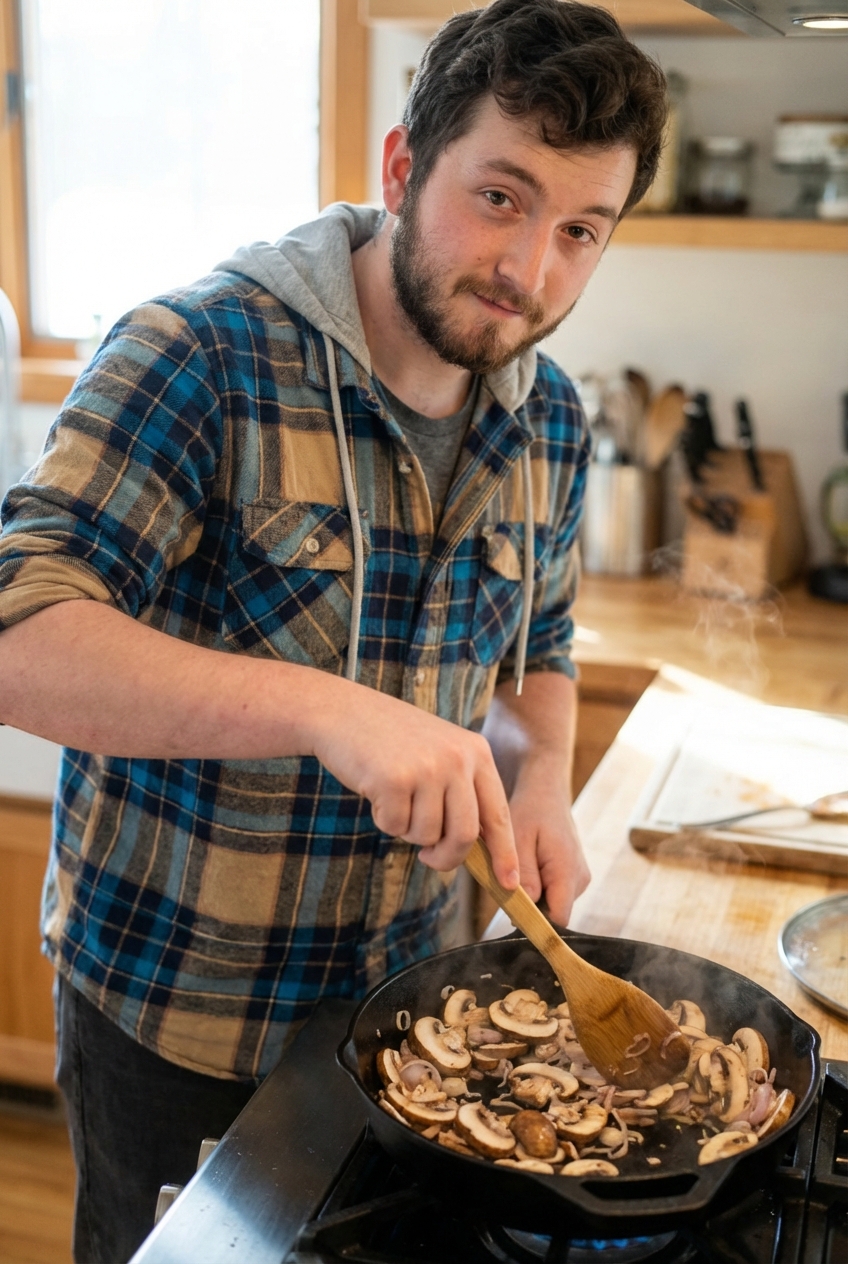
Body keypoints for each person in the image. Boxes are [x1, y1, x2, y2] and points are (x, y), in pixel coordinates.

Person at [0, 1, 667, 1258]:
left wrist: (545, 781)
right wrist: (325, 707)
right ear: (402, 168)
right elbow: (20, 633)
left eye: (580, 229)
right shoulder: (198, 352)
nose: (530, 270)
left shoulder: (551, 416)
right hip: (182, 1025)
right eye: (501, 198)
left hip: (413, 1021)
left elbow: (543, 645)